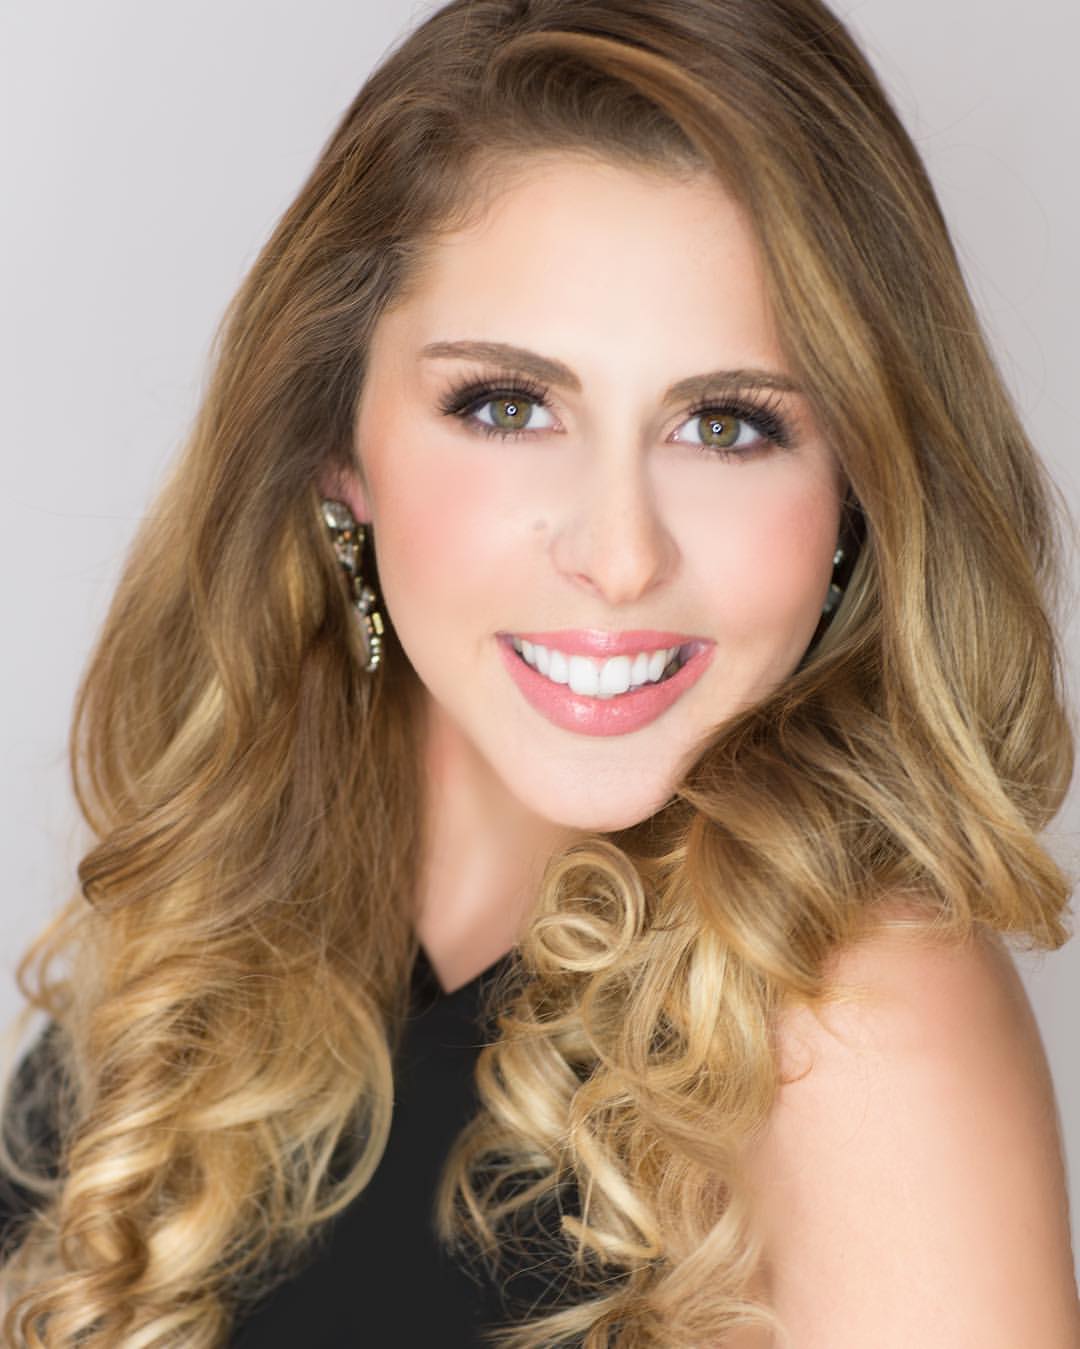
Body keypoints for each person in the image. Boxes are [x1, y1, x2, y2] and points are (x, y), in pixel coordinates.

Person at [1, 0, 1077, 1344]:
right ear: (339, 449)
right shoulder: (216, 890)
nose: (619, 557)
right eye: (508, 407)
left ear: (861, 487)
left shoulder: (861, 1020)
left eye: (728, 426)